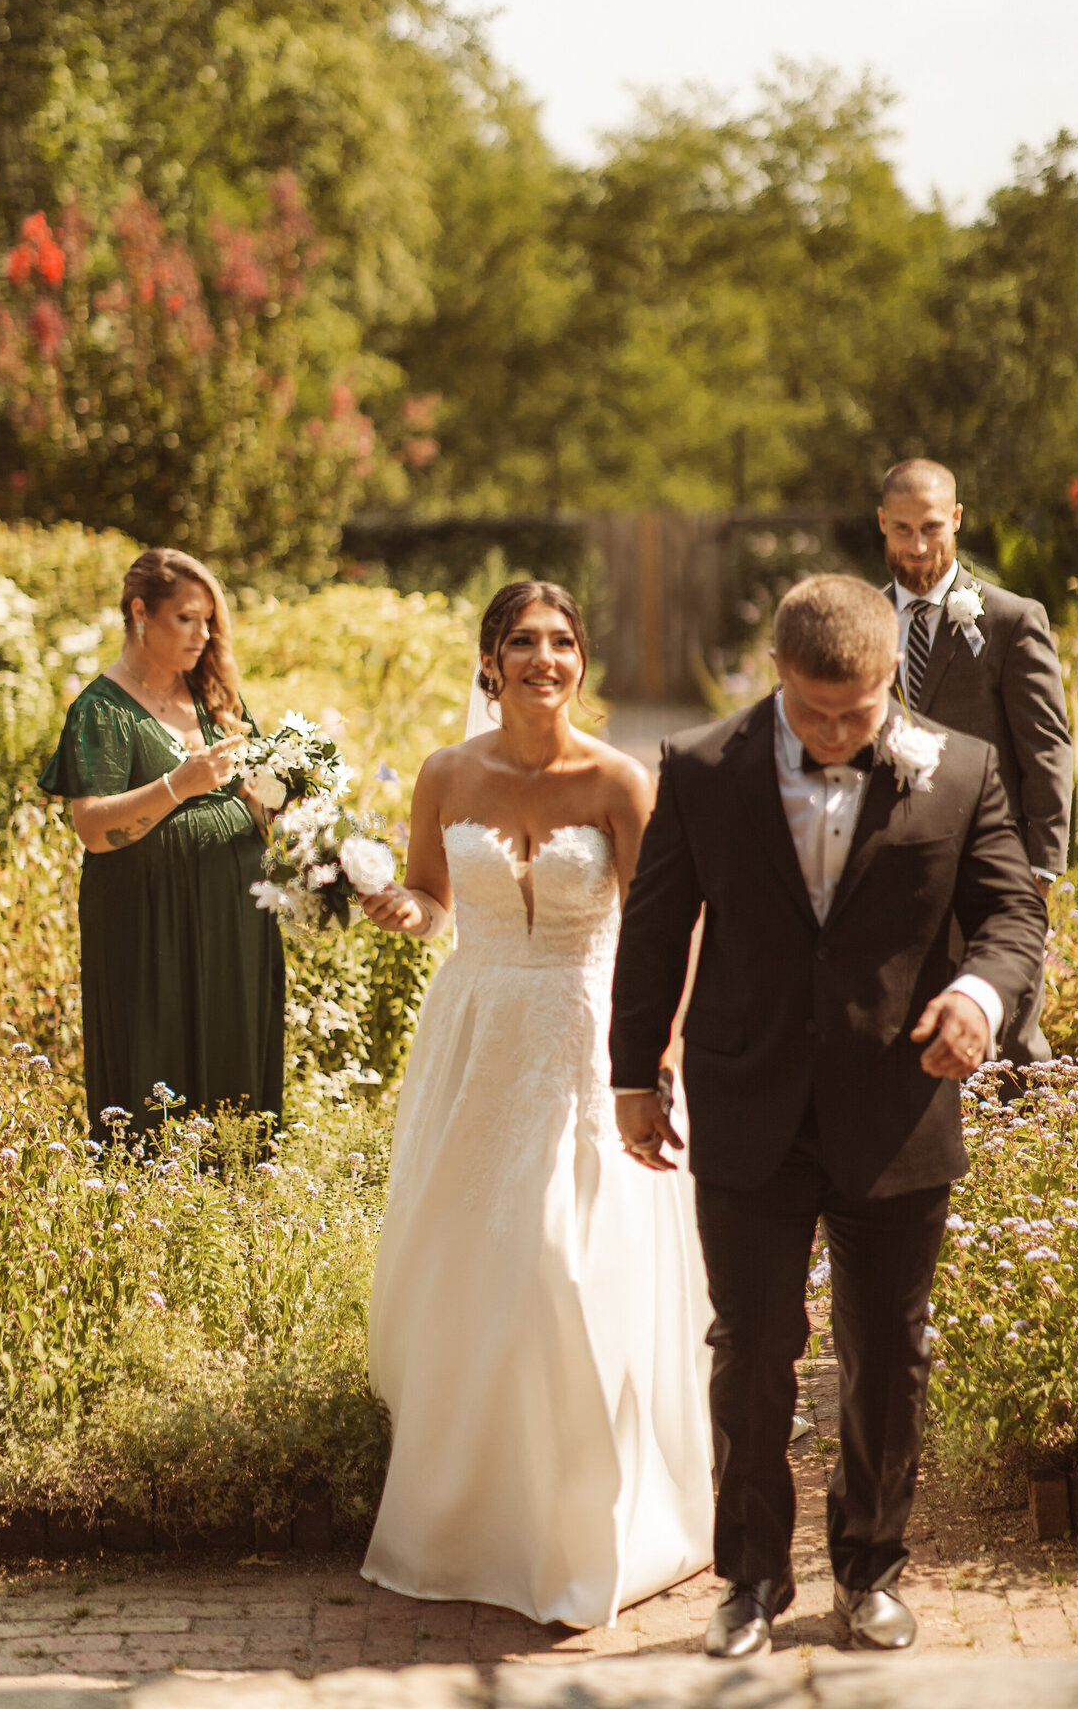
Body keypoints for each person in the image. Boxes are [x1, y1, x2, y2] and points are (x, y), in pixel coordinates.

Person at [610, 574, 1046, 1658]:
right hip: (747, 1100)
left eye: (860, 712)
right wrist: (633, 1075)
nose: (841, 734)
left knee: (888, 1355)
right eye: (816, 712)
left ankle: (871, 1573)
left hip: (896, 1107)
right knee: (751, 1348)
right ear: (776, 675)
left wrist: (978, 998)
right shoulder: (703, 768)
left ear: (890, 674)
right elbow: (656, 931)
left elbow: (1010, 918)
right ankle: (750, 1581)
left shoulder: (965, 771)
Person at [357, 580, 714, 1629]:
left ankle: (583, 1533)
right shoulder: (444, 774)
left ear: (580, 661)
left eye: (562, 643)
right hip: (475, 1041)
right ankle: (464, 1528)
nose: (544, 659)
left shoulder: (615, 778)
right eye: (523, 641)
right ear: (489, 660)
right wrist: (401, 907)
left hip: (583, 1035)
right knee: (472, 1269)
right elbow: (433, 901)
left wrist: (657, 1055)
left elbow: (667, 931)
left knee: (566, 1265)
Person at [39, 548, 283, 1141]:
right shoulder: (102, 710)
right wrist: (180, 784)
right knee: (156, 1056)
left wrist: (278, 794)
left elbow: (256, 798)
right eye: (186, 619)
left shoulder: (212, 696)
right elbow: (95, 829)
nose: (202, 635)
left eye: (208, 622)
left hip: (233, 917)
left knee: (234, 1049)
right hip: (148, 923)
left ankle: (237, 1191)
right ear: (141, 612)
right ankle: (152, 1197)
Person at [878, 457, 1074, 1063]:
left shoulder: (1013, 620)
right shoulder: (860, 619)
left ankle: (1022, 1155)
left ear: (957, 519)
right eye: (903, 529)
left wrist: (1041, 868)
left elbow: (1047, 747)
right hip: (887, 868)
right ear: (881, 523)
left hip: (991, 861)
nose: (917, 546)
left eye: (932, 527)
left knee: (1007, 1039)